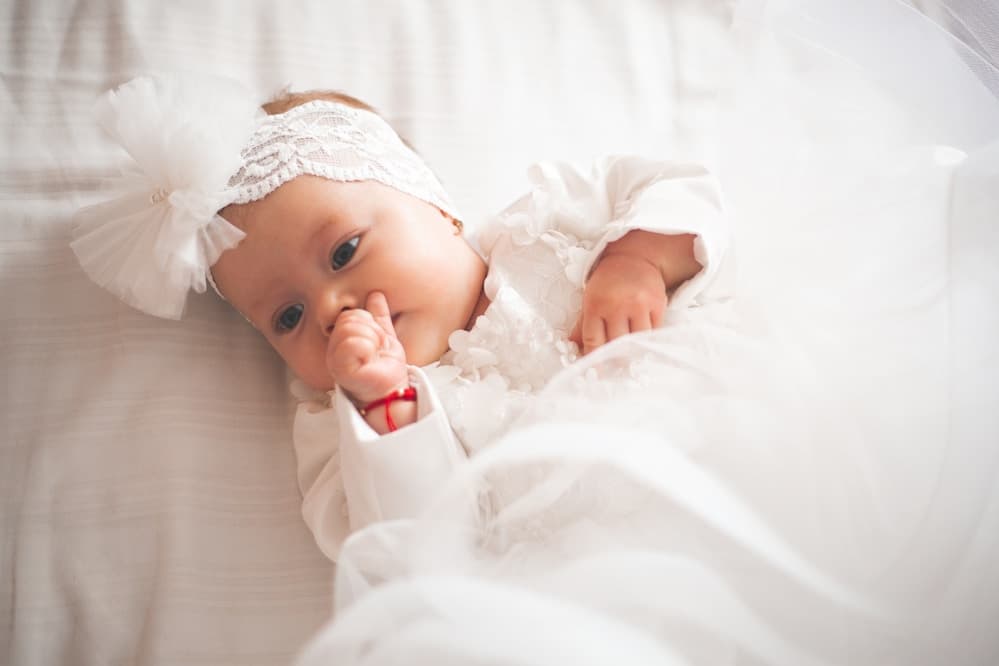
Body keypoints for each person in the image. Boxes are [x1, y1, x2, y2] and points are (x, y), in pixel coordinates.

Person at [70, 0, 999, 659]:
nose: (333, 311)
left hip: (761, 420)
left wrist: (638, 257)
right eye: (285, 316)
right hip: (611, 575)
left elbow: (681, 185)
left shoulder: (547, 219)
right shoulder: (349, 419)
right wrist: (388, 409)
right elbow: (400, 547)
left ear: (433, 206)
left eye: (346, 250)